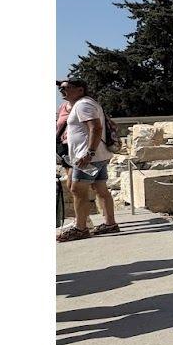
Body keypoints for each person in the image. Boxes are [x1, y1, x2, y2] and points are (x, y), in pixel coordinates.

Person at [57, 78, 120, 241]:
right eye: (62, 88)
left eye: (67, 88)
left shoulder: (83, 105)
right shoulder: (86, 103)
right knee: (101, 189)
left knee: (78, 190)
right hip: (97, 156)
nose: (62, 90)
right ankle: (110, 224)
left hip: (87, 157)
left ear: (80, 90)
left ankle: (80, 228)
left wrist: (89, 153)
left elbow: (96, 127)